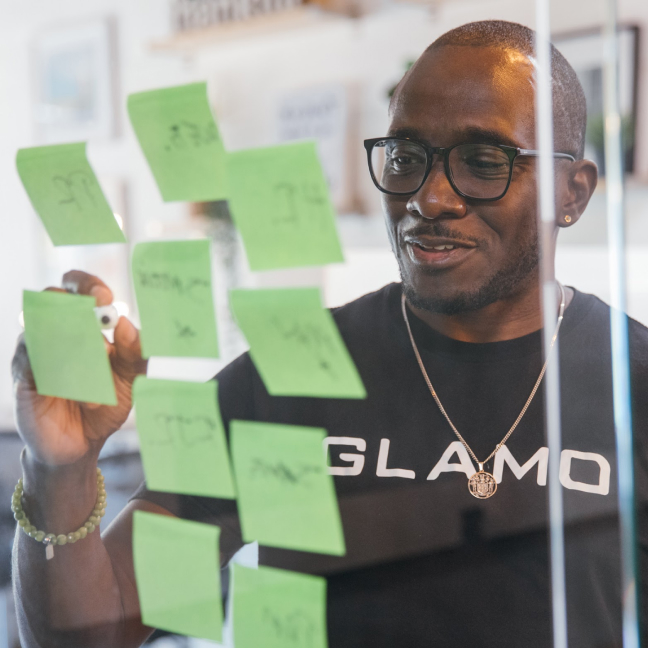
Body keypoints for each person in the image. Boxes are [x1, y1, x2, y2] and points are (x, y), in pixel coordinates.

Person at [10, 18, 646, 648]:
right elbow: (93, 633)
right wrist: (57, 468)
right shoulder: (290, 373)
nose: (430, 198)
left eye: (484, 161)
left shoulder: (632, 381)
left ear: (574, 193)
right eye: (405, 158)